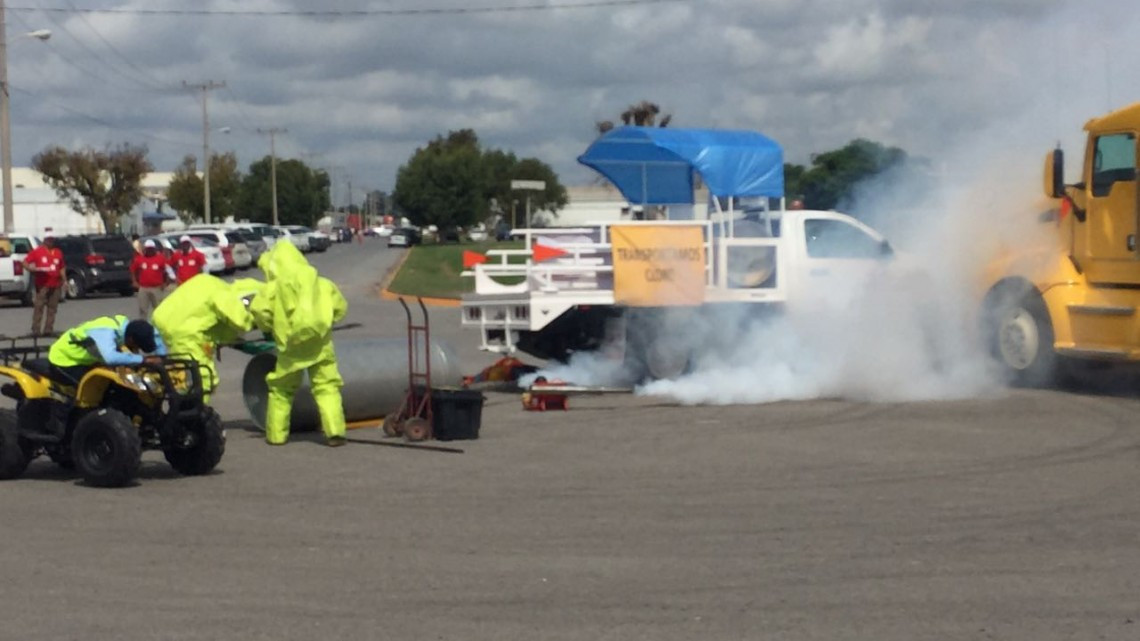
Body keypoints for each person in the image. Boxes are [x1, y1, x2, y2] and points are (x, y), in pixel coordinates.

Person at [249, 241, 348, 447]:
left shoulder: (274, 288)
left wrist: (270, 327)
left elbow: (259, 311)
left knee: (281, 390)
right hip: (321, 345)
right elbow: (340, 308)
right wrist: (325, 323)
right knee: (327, 387)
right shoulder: (322, 283)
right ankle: (335, 432)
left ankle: (276, 435)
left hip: (290, 346)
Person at [152, 274, 262, 402]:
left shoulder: (212, 283)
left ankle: (185, 406)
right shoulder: (224, 296)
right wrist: (258, 322)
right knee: (202, 378)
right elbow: (241, 322)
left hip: (169, 322)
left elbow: (219, 327)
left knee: (184, 373)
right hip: (186, 333)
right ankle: (193, 414)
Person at [48, 315, 167, 383]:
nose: (136, 350)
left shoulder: (126, 326)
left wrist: (162, 357)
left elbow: (155, 335)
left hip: (89, 360)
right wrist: (143, 360)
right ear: (130, 340)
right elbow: (110, 357)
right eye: (137, 347)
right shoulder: (105, 331)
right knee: (91, 390)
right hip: (65, 360)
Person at [23, 235, 66, 336]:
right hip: (42, 284)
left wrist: (64, 280)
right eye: (48, 239)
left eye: (52, 239)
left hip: (55, 284)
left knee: (52, 308)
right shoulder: (37, 251)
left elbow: (62, 267)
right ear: (44, 240)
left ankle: (48, 329)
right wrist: (31, 269)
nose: (50, 241)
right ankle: (36, 329)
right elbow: (25, 262)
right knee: (39, 306)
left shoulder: (58, 252)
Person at [130, 239, 170, 319]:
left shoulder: (161, 259)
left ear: (154, 249)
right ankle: (143, 325)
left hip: (157, 288)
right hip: (143, 288)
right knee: (143, 309)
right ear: (145, 249)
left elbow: (168, 272)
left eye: (151, 249)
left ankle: (158, 325)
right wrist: (134, 281)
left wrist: (165, 283)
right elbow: (133, 270)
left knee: (158, 309)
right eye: (148, 249)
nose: (150, 251)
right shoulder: (139, 259)